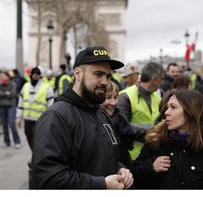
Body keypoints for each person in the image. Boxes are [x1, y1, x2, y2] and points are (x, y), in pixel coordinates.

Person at [30, 46, 133, 189]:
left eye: (108, 76)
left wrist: (120, 169)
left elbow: (103, 157)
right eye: (98, 74)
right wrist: (101, 184)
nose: (105, 82)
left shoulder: (101, 114)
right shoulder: (56, 117)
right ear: (78, 73)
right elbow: (48, 177)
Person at [132, 90, 203, 189]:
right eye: (167, 107)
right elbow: (134, 177)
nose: (166, 112)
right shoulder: (157, 143)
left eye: (173, 107)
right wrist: (150, 167)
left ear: (191, 111)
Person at [118, 62, 165, 161]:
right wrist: (152, 134)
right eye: (161, 80)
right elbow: (122, 126)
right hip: (131, 156)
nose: (162, 83)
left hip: (151, 155)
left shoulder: (157, 97)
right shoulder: (125, 96)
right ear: (154, 80)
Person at [16, 66, 54, 151]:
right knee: (30, 140)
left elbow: (51, 105)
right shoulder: (25, 86)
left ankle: (36, 160)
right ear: (31, 74)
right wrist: (18, 117)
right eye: (34, 73)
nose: (35, 75)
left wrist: (49, 120)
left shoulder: (47, 87)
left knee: (39, 142)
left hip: (40, 121)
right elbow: (20, 102)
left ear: (40, 75)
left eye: (37, 73)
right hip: (27, 120)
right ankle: (35, 157)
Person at [100, 80, 136, 169]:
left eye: (115, 97)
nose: (114, 102)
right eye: (108, 97)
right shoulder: (93, 123)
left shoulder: (121, 120)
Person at [0, 71, 21, 149]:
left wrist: (3, 93)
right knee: (4, 125)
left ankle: (17, 142)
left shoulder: (13, 84)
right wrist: (6, 93)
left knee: (11, 123)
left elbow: (12, 94)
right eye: (1, 76)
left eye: (4, 76)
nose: (2, 77)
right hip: (2, 107)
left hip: (11, 107)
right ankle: (6, 141)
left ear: (8, 77)